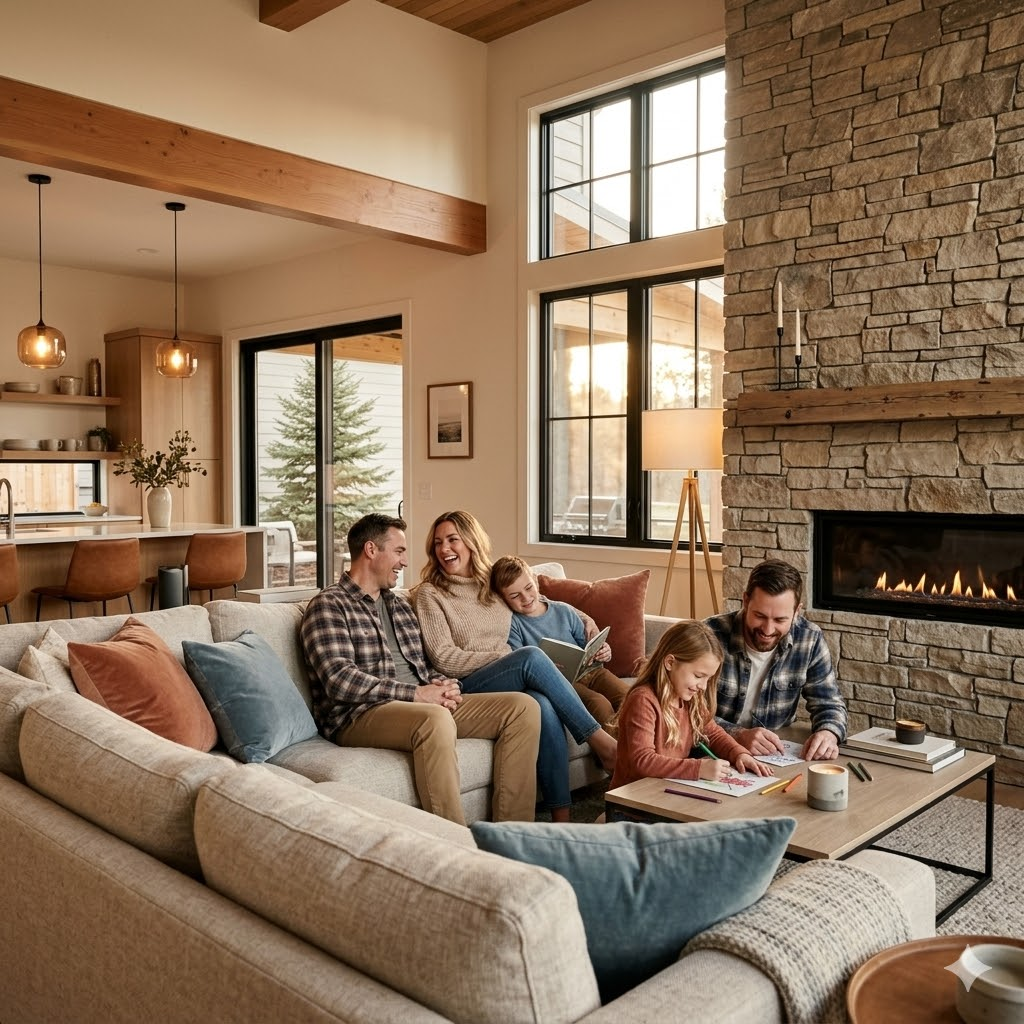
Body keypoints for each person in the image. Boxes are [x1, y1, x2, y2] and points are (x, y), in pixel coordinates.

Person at [300, 513, 541, 826]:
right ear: (371, 550)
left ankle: (513, 833)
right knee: (434, 719)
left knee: (522, 708)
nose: (404, 561)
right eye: (399, 551)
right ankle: (453, 841)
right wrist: (416, 694)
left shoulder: (399, 606)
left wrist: (444, 685)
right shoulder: (329, 604)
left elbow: (423, 666)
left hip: (418, 703)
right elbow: (340, 680)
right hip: (359, 714)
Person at [413, 510, 617, 823]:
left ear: (471, 541)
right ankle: (600, 742)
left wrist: (587, 622)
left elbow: (537, 600)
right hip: (467, 683)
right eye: (438, 543)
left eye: (453, 539)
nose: (444, 549)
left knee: (542, 705)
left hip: (509, 675)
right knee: (531, 656)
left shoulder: (490, 582)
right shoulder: (431, 593)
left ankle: (560, 819)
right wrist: (504, 656)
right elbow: (443, 657)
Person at [705, 558, 848, 761]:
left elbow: (829, 704)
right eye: (760, 616)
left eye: (780, 619)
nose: (768, 629)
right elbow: (681, 711)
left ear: (796, 611)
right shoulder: (708, 636)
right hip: (712, 754)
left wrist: (828, 733)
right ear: (745, 601)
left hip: (775, 756)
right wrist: (737, 734)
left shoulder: (809, 639)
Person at [609, 620, 771, 789]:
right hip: (635, 796)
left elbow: (714, 734)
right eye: (698, 676)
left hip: (667, 791)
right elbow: (642, 761)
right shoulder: (643, 700)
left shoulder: (691, 700)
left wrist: (739, 753)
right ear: (670, 663)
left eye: (708, 678)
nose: (703, 686)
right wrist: (698, 768)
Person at [489, 554, 629, 727]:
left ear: (535, 581)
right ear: (503, 599)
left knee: (630, 695)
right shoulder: (514, 625)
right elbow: (519, 663)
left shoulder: (564, 611)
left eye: (528, 588)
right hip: (563, 683)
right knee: (599, 703)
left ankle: (643, 740)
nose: (525, 598)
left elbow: (587, 646)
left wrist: (603, 652)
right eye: (515, 596)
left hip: (592, 672)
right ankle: (615, 744)